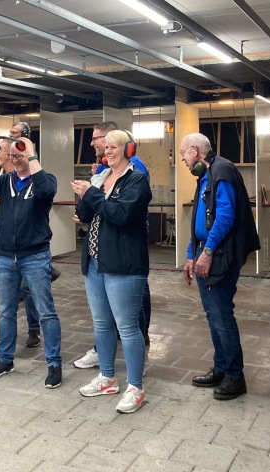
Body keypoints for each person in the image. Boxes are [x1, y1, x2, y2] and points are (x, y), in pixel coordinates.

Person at [0, 135, 63, 389]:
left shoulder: (45, 179)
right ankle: (5, 359)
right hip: (5, 257)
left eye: (19, 155)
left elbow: (45, 192)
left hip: (35, 256)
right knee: (6, 311)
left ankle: (54, 363)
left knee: (46, 312)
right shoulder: (5, 181)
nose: (15, 159)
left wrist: (30, 153)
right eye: (12, 156)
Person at [72, 130, 152, 413]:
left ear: (129, 150)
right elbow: (85, 215)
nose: (108, 152)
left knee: (128, 328)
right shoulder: (102, 177)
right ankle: (106, 377)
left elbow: (120, 215)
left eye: (114, 147)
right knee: (102, 323)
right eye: (106, 147)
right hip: (95, 262)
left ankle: (135, 387)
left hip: (123, 264)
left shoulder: (136, 181)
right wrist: (86, 195)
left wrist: (92, 194)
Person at [180, 132, 259, 401]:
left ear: (194, 150)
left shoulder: (222, 170)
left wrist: (208, 251)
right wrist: (191, 254)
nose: (182, 159)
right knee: (213, 315)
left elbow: (225, 215)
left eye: (183, 153)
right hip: (206, 250)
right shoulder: (206, 174)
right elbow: (201, 219)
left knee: (222, 316)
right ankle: (222, 368)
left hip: (220, 254)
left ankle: (235, 377)